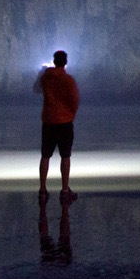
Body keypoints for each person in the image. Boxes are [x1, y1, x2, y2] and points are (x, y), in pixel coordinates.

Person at [34, 49, 79, 200]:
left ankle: (42, 190)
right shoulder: (68, 80)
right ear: (65, 62)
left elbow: (36, 89)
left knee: (45, 156)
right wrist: (70, 114)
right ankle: (65, 190)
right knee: (65, 156)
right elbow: (74, 101)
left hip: (48, 122)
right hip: (65, 122)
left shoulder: (46, 78)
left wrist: (40, 74)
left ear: (54, 61)